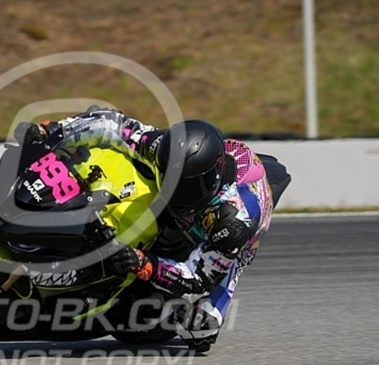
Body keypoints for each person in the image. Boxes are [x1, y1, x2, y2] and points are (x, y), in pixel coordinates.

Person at [15, 105, 291, 352]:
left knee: (200, 327)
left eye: (188, 187)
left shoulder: (232, 222)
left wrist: (145, 264)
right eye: (172, 180)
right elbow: (112, 124)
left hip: (225, 245)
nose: (178, 192)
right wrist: (54, 130)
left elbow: (198, 277)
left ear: (212, 179)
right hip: (188, 208)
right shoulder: (166, 149)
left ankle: (167, 312)